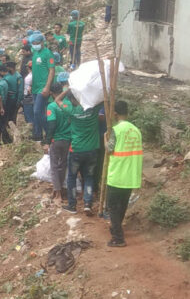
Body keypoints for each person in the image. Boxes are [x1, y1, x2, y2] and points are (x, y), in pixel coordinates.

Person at [55, 90, 102, 215]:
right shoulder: (92, 109)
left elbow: (57, 100)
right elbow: (103, 98)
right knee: (89, 177)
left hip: (76, 150)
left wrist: (69, 89)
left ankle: (72, 204)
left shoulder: (72, 110)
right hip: (92, 150)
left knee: (72, 177)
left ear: (73, 100)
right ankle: (87, 203)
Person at [106, 100, 143, 247]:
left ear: (115, 114)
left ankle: (118, 238)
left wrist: (105, 139)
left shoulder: (116, 130)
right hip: (131, 176)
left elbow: (109, 149)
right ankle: (116, 227)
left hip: (117, 175)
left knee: (112, 206)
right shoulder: (136, 130)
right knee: (121, 205)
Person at [43, 82, 71, 203]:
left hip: (56, 139)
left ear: (52, 94)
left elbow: (52, 124)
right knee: (63, 165)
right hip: (68, 139)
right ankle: (59, 190)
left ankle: (58, 193)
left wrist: (47, 142)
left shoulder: (52, 106)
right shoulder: (68, 104)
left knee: (54, 166)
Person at [30, 33, 55, 142]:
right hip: (35, 87)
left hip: (43, 87)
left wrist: (47, 87)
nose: (35, 45)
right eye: (33, 43)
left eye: (36, 43)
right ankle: (38, 135)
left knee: (37, 111)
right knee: (37, 113)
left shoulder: (48, 54)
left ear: (42, 42)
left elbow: (52, 70)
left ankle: (50, 134)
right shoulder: (35, 53)